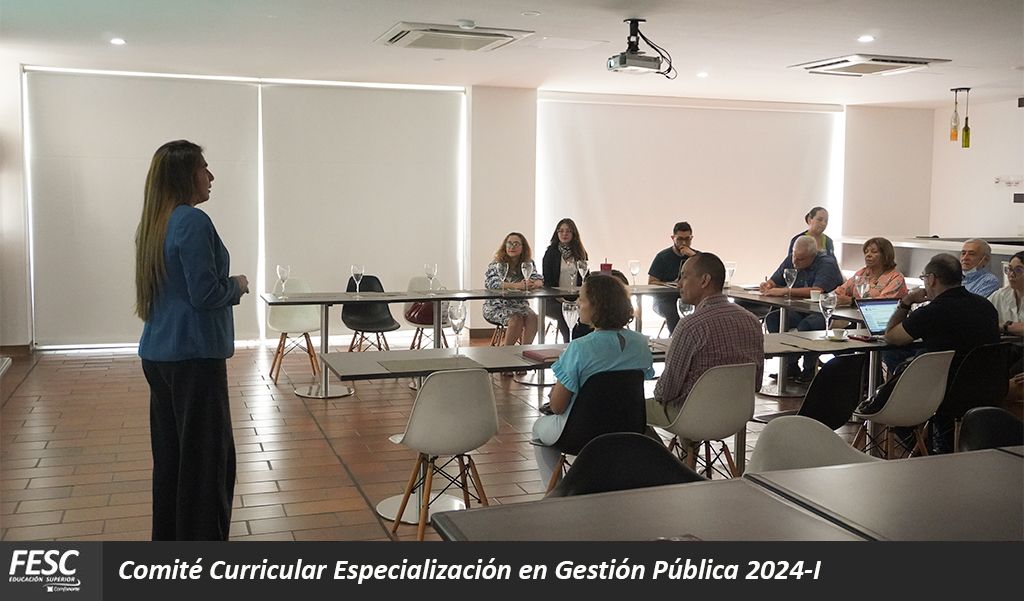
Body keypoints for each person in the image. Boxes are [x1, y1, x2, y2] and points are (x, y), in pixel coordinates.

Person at [135, 140, 249, 540]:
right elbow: (205, 293)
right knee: (206, 466)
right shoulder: (193, 221)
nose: (211, 176)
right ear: (186, 175)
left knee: (172, 463)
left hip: (159, 356)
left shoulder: (155, 223)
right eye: (204, 168)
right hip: (195, 358)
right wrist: (236, 285)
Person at [532, 275, 654, 484]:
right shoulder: (641, 344)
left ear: (597, 305)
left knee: (538, 428)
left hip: (580, 433)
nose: (578, 304)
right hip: (628, 428)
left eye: (582, 299)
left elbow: (558, 407)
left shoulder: (579, 348)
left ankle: (555, 490)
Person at [884, 253, 1000, 453]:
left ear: (931, 279)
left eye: (924, 278)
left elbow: (892, 336)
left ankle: (926, 455)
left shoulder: (931, 312)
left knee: (895, 407)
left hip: (945, 391)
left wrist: (906, 302)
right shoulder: (986, 306)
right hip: (989, 386)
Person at [647, 252, 764, 427]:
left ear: (704, 280)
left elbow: (667, 391)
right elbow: (756, 383)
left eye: (684, 277)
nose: (679, 284)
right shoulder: (752, 321)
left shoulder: (691, 326)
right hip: (738, 413)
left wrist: (657, 393)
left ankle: (659, 447)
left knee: (630, 410)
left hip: (693, 416)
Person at [760, 235, 844, 381]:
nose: (795, 262)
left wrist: (785, 291)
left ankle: (809, 369)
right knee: (773, 319)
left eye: (800, 259)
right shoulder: (792, 258)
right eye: (794, 256)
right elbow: (775, 279)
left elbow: (817, 290)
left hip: (825, 311)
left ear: (813, 256)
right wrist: (768, 285)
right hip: (799, 309)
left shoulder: (827, 263)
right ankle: (790, 365)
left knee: (808, 326)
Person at [483, 232, 544, 349]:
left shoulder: (528, 263)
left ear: (523, 247)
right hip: (497, 306)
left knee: (534, 318)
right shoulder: (497, 263)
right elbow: (491, 283)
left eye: (516, 244)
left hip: (520, 305)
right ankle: (507, 354)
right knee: (516, 319)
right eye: (509, 243)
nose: (512, 247)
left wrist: (535, 283)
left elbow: (538, 278)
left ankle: (524, 352)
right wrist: (517, 286)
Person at [542, 218, 591, 342]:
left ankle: (583, 342)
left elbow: (586, 278)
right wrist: (558, 297)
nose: (564, 234)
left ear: (574, 234)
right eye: (561, 231)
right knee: (565, 311)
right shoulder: (550, 253)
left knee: (588, 311)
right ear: (557, 233)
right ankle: (570, 343)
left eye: (568, 231)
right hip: (554, 300)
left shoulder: (581, 253)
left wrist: (581, 298)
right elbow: (547, 282)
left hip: (577, 298)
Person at [648, 221, 698, 334]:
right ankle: (677, 338)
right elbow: (652, 281)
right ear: (673, 238)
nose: (684, 243)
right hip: (665, 299)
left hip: (690, 297)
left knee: (706, 308)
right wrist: (668, 284)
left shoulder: (696, 256)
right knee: (671, 310)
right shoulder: (662, 257)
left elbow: (709, 272)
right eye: (680, 239)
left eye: (687, 239)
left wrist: (693, 257)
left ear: (691, 238)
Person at [988, 251, 1024, 399]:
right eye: (1009, 269)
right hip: (1007, 349)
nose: (1011, 275)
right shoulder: (1001, 295)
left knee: (1008, 385)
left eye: (1018, 270)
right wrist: (1012, 327)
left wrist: (1004, 326)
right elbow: (983, 318)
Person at [834, 237, 909, 305]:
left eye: (874, 252)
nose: (868, 255)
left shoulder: (896, 278)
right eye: (866, 252)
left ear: (885, 255)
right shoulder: (861, 273)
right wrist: (835, 297)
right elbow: (840, 291)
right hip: (855, 314)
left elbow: (883, 302)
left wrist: (851, 301)